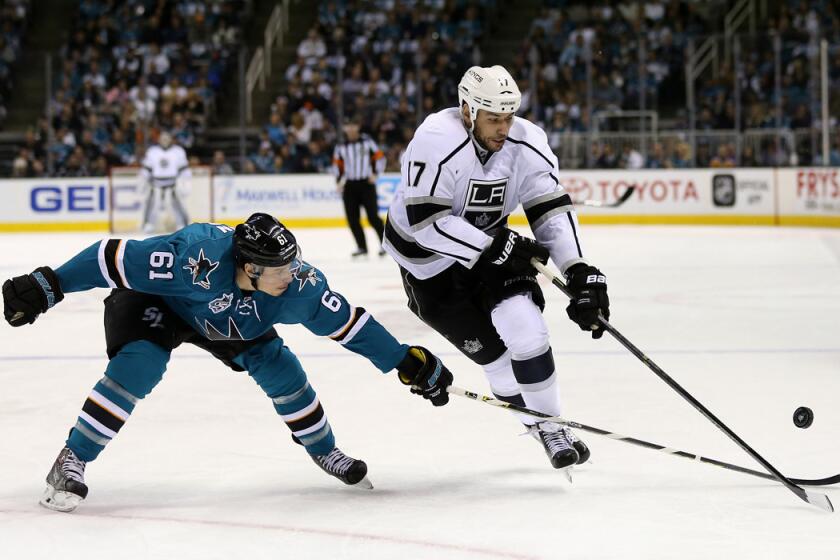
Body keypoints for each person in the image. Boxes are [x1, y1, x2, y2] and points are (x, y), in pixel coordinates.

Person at [2, 213, 453, 513]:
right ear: (249, 267)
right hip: (158, 302)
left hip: (231, 319)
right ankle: (71, 459)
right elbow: (109, 258)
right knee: (140, 365)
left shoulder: (298, 285)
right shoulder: (191, 259)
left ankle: (324, 452)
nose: (291, 274)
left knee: (282, 370)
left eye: (292, 265)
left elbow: (351, 325)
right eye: (279, 269)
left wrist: (404, 361)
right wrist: (48, 285)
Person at [382, 65, 611, 472]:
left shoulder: (528, 141)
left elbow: (549, 209)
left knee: (527, 327)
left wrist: (577, 268)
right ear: (467, 110)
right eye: (494, 118)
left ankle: (552, 426)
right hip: (428, 263)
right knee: (497, 362)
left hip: (490, 244)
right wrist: (494, 245)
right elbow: (428, 225)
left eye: (508, 117)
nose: (503, 127)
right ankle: (534, 424)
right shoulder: (435, 139)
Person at [332, 118, 387, 258]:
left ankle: (386, 245)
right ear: (344, 129)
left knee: (373, 217)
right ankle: (362, 247)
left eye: (353, 125)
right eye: (347, 125)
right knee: (352, 219)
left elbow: (380, 158)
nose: (350, 128)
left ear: (358, 126)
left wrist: (376, 174)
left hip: (366, 184)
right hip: (350, 185)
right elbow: (337, 165)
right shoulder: (341, 146)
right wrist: (338, 181)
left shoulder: (367, 142)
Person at [140, 131, 191, 233]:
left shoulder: (178, 151)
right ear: (159, 140)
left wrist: (185, 183)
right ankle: (149, 224)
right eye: (162, 139)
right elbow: (146, 169)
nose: (165, 141)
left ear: (171, 139)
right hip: (156, 184)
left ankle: (182, 224)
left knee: (178, 205)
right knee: (152, 205)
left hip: (173, 184)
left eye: (167, 139)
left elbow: (184, 169)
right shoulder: (152, 151)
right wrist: (144, 180)